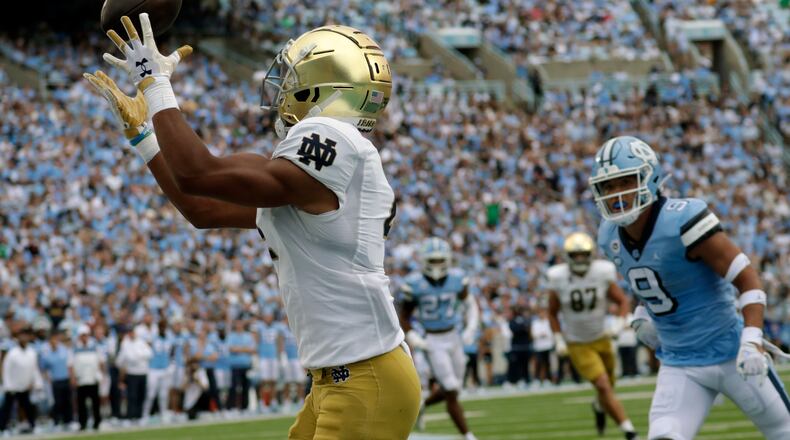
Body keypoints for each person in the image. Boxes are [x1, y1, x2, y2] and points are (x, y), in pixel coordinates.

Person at [86, 15, 420, 438]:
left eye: (292, 76)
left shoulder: (332, 138)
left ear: (320, 86)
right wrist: (145, 138)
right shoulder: (304, 176)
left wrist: (155, 85)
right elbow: (201, 208)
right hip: (335, 378)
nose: (280, 88)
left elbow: (197, 173)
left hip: (365, 374)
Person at [590, 135, 790, 439]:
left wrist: (752, 339)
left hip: (731, 352)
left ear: (649, 178)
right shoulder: (609, 236)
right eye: (609, 186)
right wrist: (643, 311)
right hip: (679, 363)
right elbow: (655, 280)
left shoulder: (682, 219)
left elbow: (747, 278)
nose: (617, 194)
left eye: (625, 181)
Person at [547, 232, 637, 439]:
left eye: (583, 254)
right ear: (568, 256)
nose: (579, 259)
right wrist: (559, 339)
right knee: (604, 385)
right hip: (578, 343)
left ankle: (599, 405)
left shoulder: (602, 272)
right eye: (575, 255)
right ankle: (629, 431)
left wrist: (618, 323)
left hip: (602, 338)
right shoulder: (557, 277)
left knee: (608, 389)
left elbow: (623, 301)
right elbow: (552, 312)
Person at [399, 237, 479, 440]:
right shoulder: (414, 283)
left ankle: (423, 404)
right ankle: (467, 435)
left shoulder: (457, 278)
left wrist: (471, 328)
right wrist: (413, 335)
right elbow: (404, 315)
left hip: (454, 336)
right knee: (451, 388)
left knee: (454, 389)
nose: (436, 265)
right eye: (432, 261)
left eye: (439, 260)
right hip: (432, 340)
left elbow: (471, 304)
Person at [0, 326, 41, 434]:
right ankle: (3, 429)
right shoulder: (12, 353)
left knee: (28, 408)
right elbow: (6, 369)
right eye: (21, 336)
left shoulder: (32, 352)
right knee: (7, 409)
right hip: (12, 387)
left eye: (26, 336)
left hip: (25, 386)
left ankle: (33, 426)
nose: (24, 338)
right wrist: (8, 385)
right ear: (18, 338)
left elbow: (34, 369)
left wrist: (37, 382)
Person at [38, 328, 73, 430]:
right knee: (57, 402)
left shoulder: (63, 350)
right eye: (52, 340)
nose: (54, 342)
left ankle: (68, 421)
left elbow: (69, 365)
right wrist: (47, 378)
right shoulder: (46, 353)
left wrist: (71, 377)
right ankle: (57, 422)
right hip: (55, 381)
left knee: (67, 401)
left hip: (65, 379)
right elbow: (43, 368)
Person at [71, 325, 103, 431]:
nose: (84, 337)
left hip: (93, 378)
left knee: (95, 402)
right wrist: (73, 378)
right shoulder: (75, 347)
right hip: (81, 379)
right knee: (81, 403)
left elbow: (100, 361)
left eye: (85, 335)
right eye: (82, 335)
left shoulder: (94, 345)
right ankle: (82, 423)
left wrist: (101, 374)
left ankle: (97, 422)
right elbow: (70, 364)